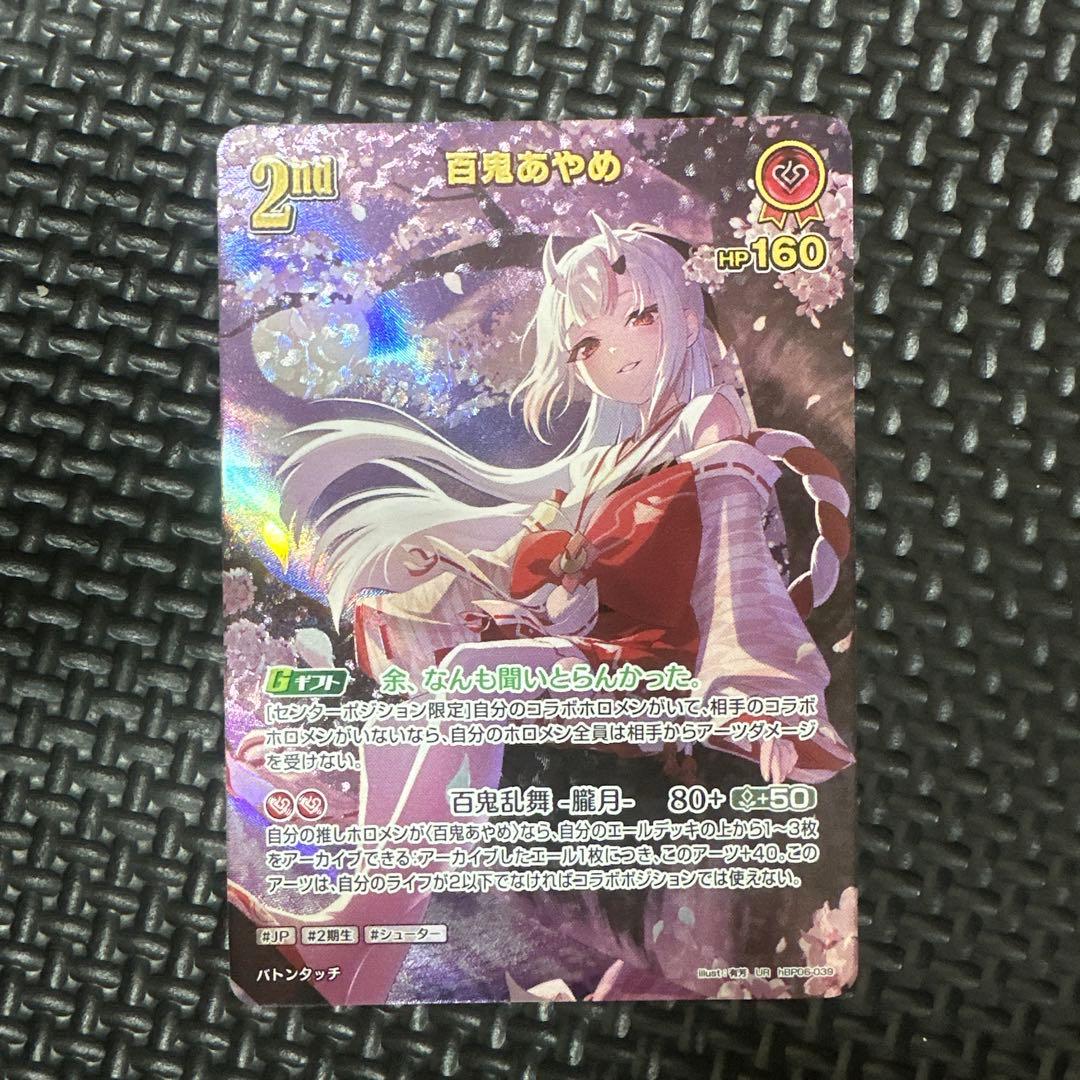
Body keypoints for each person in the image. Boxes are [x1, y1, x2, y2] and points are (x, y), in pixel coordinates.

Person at [229, 213, 853, 1003]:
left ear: (688, 315)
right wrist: (446, 574)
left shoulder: (713, 425)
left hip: (663, 674)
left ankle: (355, 920)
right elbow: (545, 576)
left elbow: (736, 559)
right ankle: (361, 969)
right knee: (400, 724)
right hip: (601, 656)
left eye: (639, 316)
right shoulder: (608, 463)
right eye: (586, 343)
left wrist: (762, 692)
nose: (615, 352)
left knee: (475, 678)